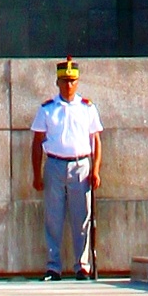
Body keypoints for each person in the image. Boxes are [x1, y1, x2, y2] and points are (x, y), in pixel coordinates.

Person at [29, 57, 102, 280]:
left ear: (77, 82)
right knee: (53, 217)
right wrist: (37, 174)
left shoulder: (87, 108)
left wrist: (96, 170)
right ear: (58, 83)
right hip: (55, 164)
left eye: (72, 81)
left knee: (82, 218)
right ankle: (53, 266)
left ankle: (82, 266)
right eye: (64, 81)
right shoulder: (48, 109)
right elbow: (37, 142)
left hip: (81, 165)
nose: (68, 86)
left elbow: (96, 141)